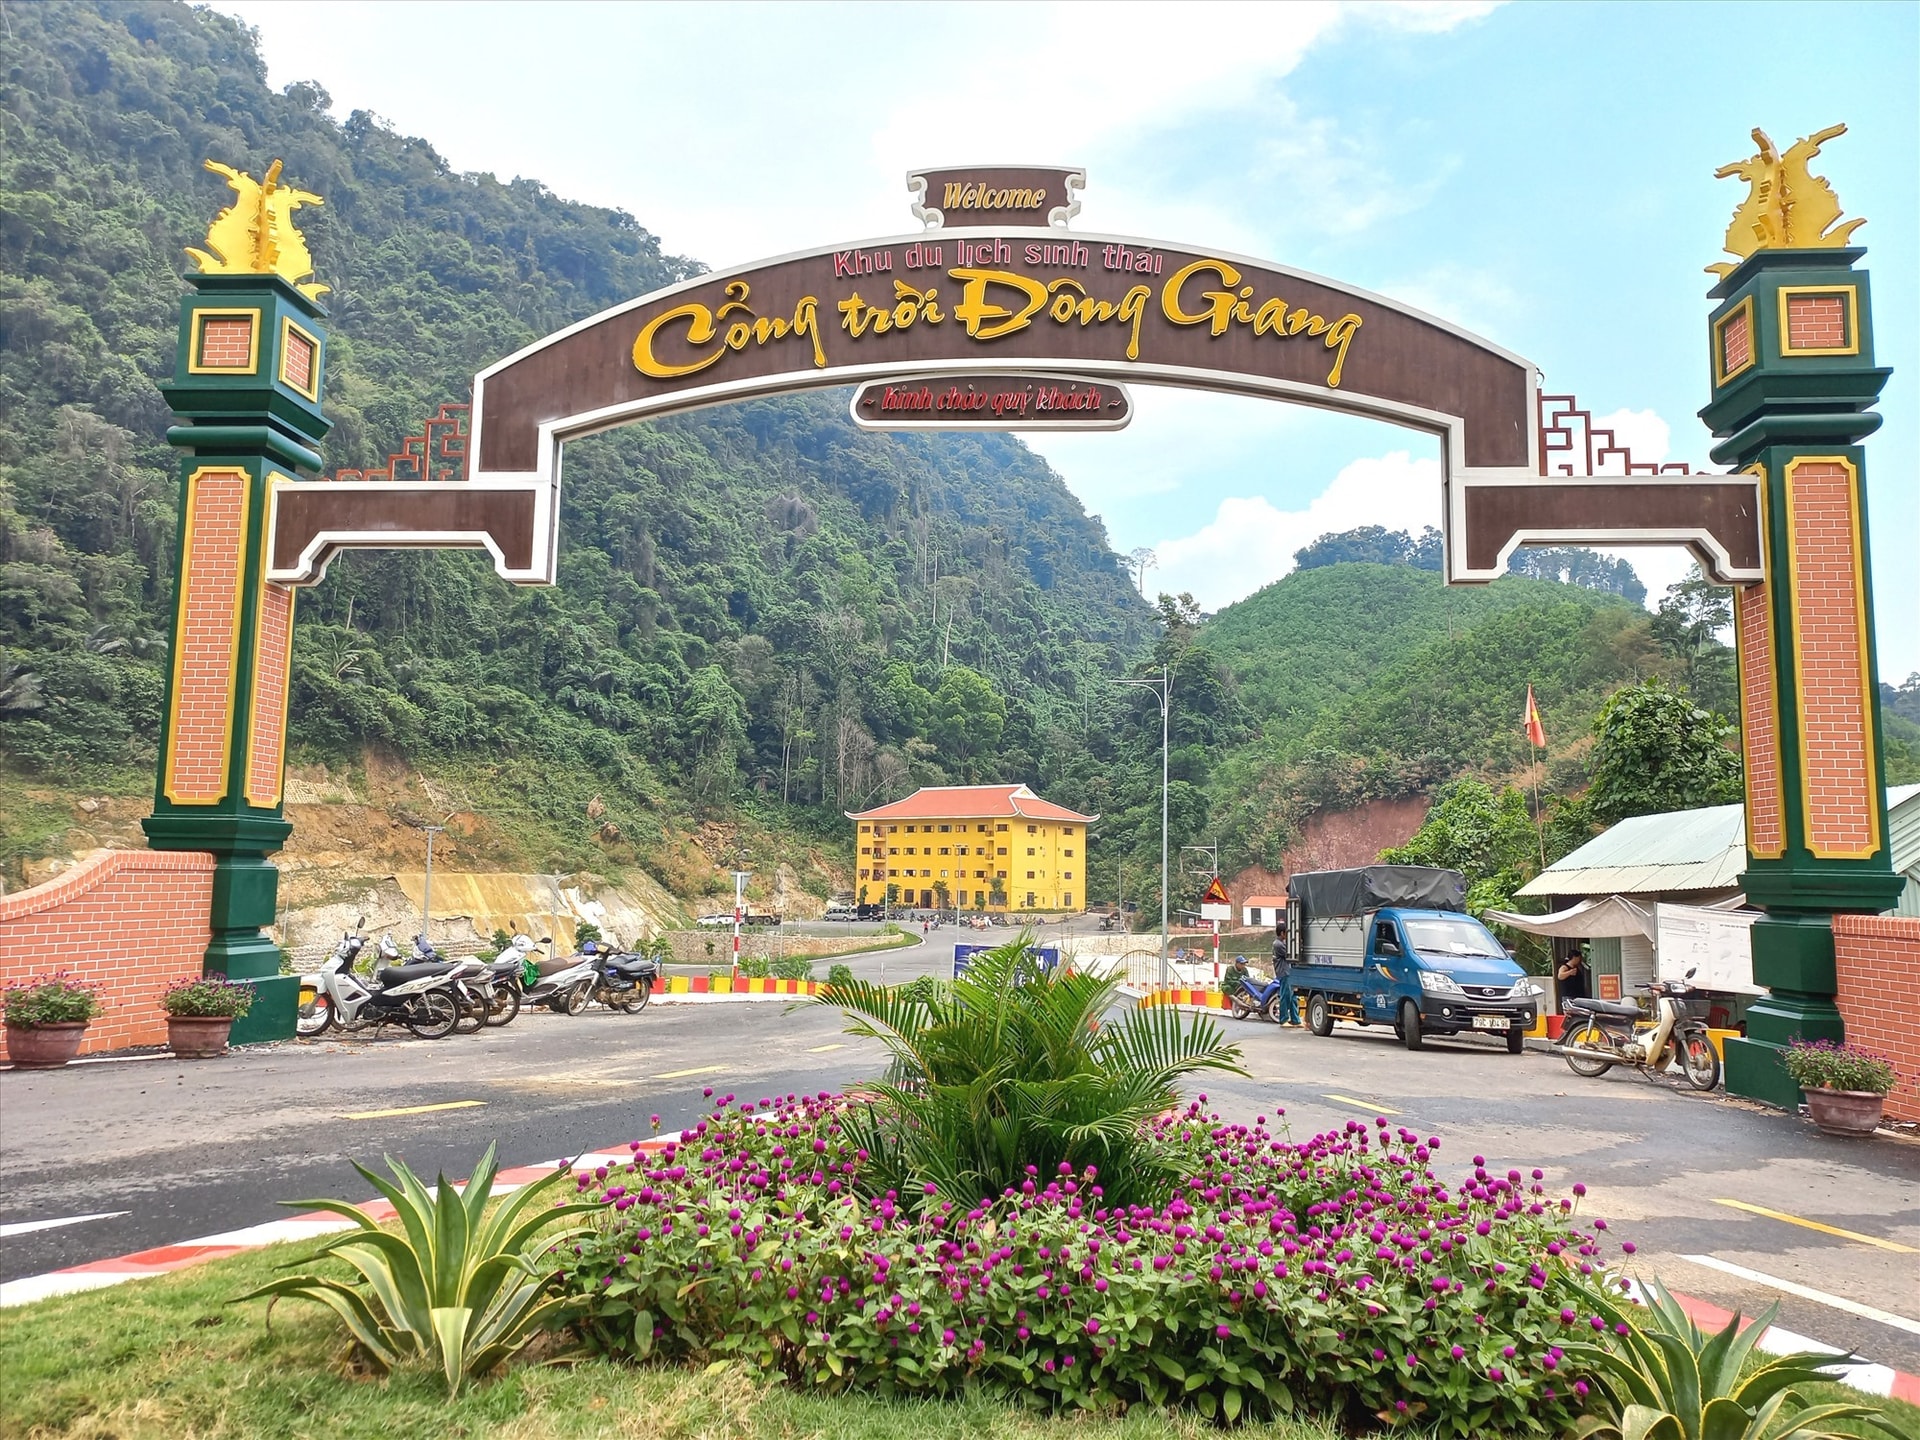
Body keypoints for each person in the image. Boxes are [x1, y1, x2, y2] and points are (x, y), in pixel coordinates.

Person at [1271, 922, 1301, 1026]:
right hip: (1284, 972)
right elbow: (1290, 954)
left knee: (1293, 997)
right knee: (1285, 995)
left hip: (1289, 972)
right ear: (1282, 933)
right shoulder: (1278, 944)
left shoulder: (1282, 943)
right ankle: (1283, 1019)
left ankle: (1295, 1019)